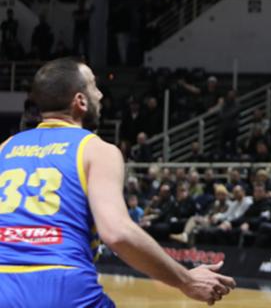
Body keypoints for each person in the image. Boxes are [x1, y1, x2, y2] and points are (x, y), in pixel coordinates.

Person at [0, 58, 235, 307]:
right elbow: (117, 233)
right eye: (94, 87)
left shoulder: (5, 149)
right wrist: (185, 279)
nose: (100, 95)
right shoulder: (95, 149)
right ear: (80, 101)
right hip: (62, 284)